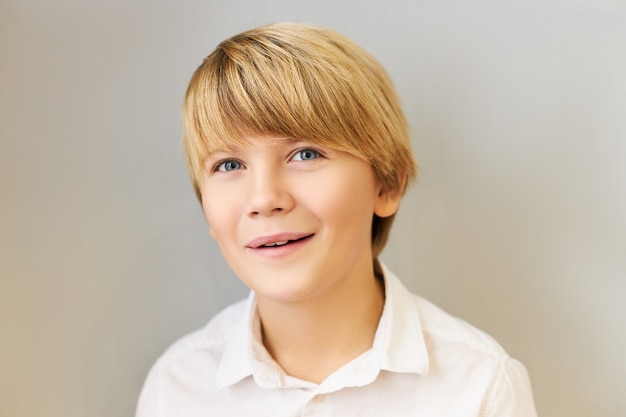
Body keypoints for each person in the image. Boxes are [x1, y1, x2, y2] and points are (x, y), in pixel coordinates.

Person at [136, 22, 538, 416]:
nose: (264, 199)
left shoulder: (481, 387)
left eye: (306, 154)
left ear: (386, 185)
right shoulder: (175, 389)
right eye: (228, 164)